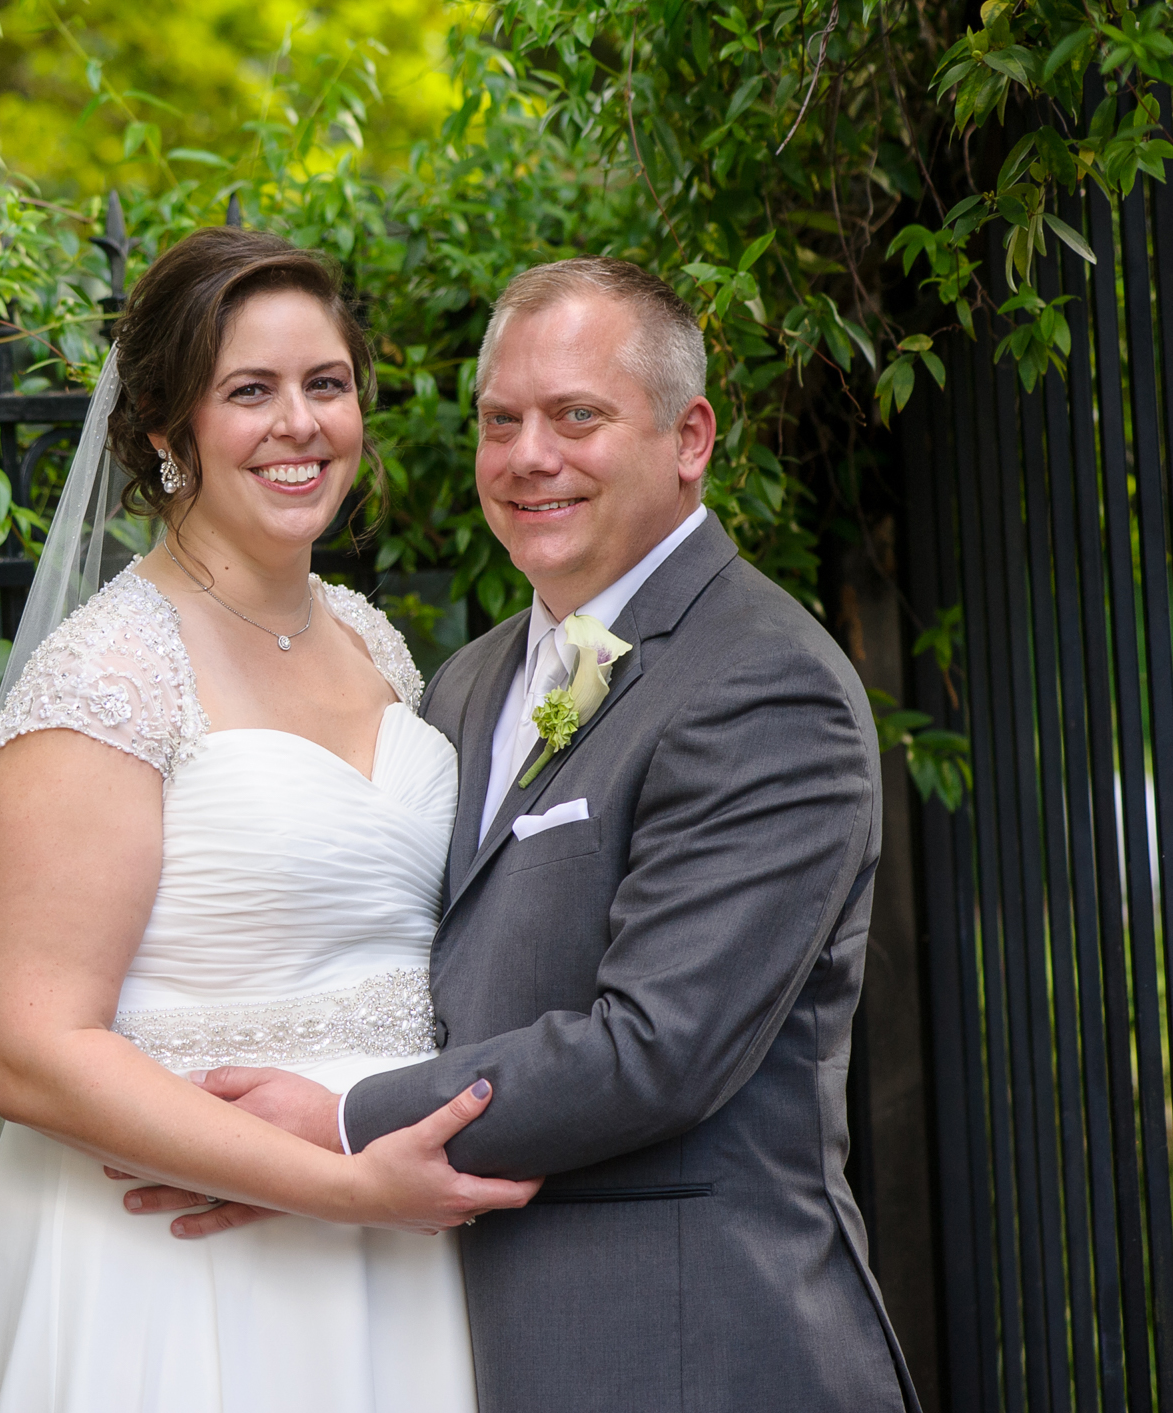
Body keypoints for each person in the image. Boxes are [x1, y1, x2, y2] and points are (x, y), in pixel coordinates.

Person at [124, 257, 922, 1412]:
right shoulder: (467, 680)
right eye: (500, 421)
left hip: (689, 1343)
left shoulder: (760, 684)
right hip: (457, 1330)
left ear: (688, 437)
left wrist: (340, 1124)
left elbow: (657, 1048)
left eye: (575, 417)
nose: (527, 457)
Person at [0, 226, 538, 1413]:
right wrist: (342, 1187)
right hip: (176, 1270)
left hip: (392, 1251)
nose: (298, 424)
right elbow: (31, 1050)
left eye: (325, 384)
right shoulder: (106, 676)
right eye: (249, 391)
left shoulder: (368, 642)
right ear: (163, 430)